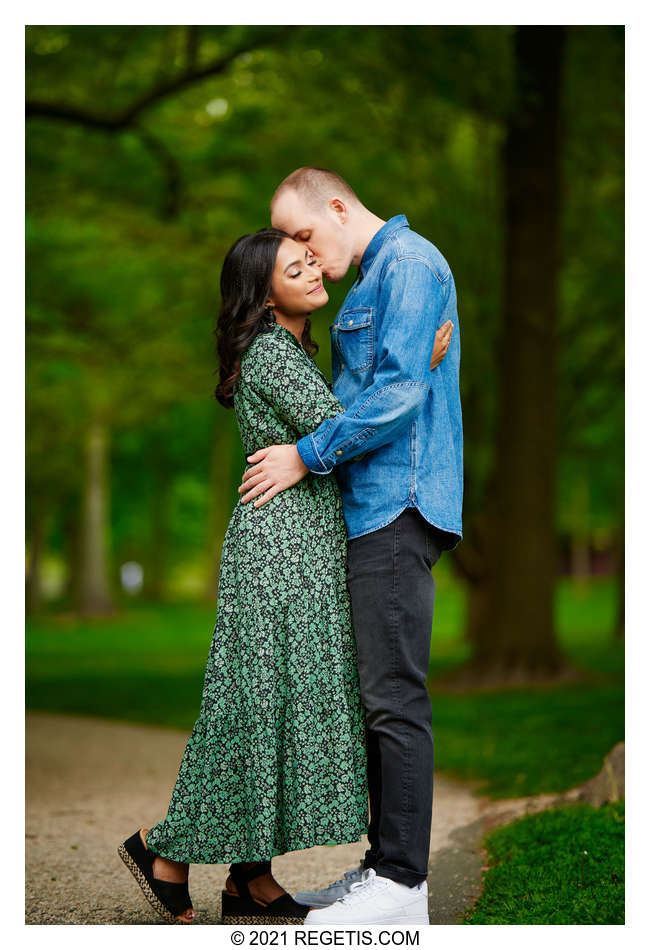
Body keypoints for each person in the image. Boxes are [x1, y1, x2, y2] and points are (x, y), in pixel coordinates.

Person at [117, 226, 454, 926]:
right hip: (279, 554)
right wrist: (412, 366)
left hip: (302, 547)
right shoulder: (271, 352)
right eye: (291, 267)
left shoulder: (293, 351)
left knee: (280, 710)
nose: (309, 268)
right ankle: (163, 850)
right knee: (252, 708)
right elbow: (345, 426)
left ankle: (251, 881)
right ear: (262, 294)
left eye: (308, 258)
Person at [239, 168, 463, 926]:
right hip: (367, 507)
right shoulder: (376, 281)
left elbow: (395, 396)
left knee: (394, 697)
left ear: (337, 208)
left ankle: (402, 887)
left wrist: (304, 453)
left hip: (396, 502)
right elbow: (386, 387)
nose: (298, 254)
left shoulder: (407, 265)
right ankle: (382, 869)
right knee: (377, 699)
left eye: (303, 235)